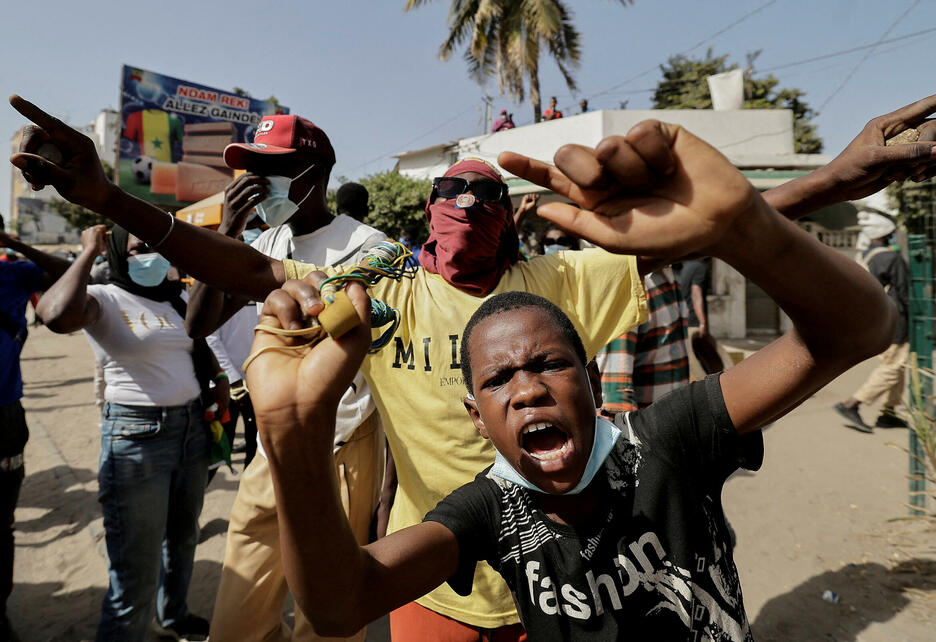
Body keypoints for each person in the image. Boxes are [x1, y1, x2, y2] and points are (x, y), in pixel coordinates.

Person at [8, 76, 936, 638]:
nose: (469, 205)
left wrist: (833, 180)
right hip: (432, 580)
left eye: (486, 194)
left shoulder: (565, 285)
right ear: (426, 219)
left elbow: (698, 231)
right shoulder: (382, 290)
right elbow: (247, 265)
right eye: (452, 193)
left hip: (574, 577)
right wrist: (112, 203)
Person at [242, 118, 899, 639]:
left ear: (594, 371)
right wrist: (291, 434)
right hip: (440, 588)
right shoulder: (487, 506)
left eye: (551, 362)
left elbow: (840, 324)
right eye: (498, 378)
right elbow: (339, 604)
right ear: (476, 410)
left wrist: (775, 210)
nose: (527, 388)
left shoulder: (657, 433)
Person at [185, 114, 388, 642]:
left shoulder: (370, 248)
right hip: (270, 453)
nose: (256, 179)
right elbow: (198, 322)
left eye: (272, 168)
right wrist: (227, 232)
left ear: (315, 172)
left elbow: (391, 368)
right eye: (250, 166)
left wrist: (388, 484)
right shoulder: (265, 244)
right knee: (235, 622)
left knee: (328, 623)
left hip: (343, 449)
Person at [35, 224, 224, 640]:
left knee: (182, 539)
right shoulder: (104, 297)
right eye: (140, 249)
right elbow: (53, 314)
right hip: (138, 438)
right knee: (135, 568)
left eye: (158, 248)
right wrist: (87, 254)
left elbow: (195, 343)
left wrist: (216, 381)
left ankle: (173, 615)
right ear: (118, 252)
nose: (151, 256)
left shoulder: (173, 297)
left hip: (191, 430)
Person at [0, 225, 71, 639]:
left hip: (5, 415)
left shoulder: (13, 274)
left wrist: (16, 245)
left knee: (2, 522)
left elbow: (68, 272)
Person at [834, 208, 910, 432]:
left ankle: (888, 413)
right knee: (893, 368)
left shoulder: (866, 256)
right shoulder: (893, 258)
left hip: (879, 321)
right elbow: (905, 295)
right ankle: (851, 404)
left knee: (895, 367)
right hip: (898, 322)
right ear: (887, 231)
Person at [596, 266, 689, 413]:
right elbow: (616, 399)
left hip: (673, 421)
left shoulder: (668, 274)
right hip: (651, 428)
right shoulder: (630, 284)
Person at [678, 257, 728, 378]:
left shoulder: (687, 266)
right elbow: (696, 293)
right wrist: (702, 322)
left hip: (685, 319)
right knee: (702, 366)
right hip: (695, 322)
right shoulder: (700, 267)